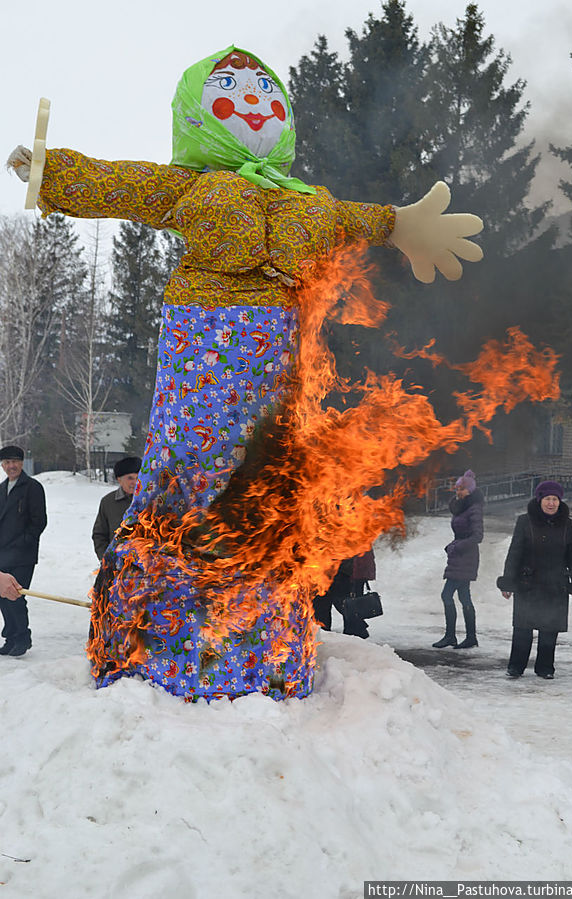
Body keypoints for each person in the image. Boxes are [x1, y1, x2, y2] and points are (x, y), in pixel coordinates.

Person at [8, 46, 483, 701]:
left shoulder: (302, 203)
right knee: (197, 491)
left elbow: (352, 218)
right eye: (231, 90)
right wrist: (54, 173)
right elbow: (126, 182)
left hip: (274, 360)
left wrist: (404, 224)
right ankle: (171, 647)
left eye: (264, 92)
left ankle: (265, 653)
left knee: (263, 492)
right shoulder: (195, 188)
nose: (254, 103)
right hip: (199, 351)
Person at [496, 479, 572, 679]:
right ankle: (516, 666)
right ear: (539, 500)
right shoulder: (525, 521)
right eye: (547, 498)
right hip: (528, 583)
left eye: (555, 499)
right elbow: (515, 553)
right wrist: (508, 581)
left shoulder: (567, 525)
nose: (551, 503)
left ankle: (545, 668)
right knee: (523, 628)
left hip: (556, 584)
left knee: (550, 628)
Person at [0, 445, 47, 656]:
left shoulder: (32, 487)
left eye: (15, 462)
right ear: (2, 465)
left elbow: (39, 521)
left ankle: (22, 639)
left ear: (22, 463)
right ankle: (10, 638)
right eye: (7, 462)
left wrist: (26, 541)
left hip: (22, 554)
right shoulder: (2, 488)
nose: (11, 466)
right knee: (3, 596)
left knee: (16, 595)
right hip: (2, 553)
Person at [433, 469, 483, 649]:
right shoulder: (461, 507)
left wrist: (457, 546)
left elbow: (478, 536)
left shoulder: (474, 509)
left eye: (462, 489)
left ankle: (451, 636)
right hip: (459, 555)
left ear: (470, 490)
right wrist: (453, 545)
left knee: (447, 595)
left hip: (466, 556)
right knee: (464, 597)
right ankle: (469, 637)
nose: (458, 492)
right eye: (457, 489)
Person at [313, 549, 376, 639]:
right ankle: (320, 639)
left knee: (351, 607)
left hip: (348, 571)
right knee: (320, 608)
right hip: (322, 567)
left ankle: (355, 640)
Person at [92, 456, 142, 560]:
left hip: (147, 565)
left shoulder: (150, 501)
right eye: (130, 478)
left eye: (138, 478)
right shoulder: (108, 502)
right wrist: (105, 558)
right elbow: (99, 535)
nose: (135, 482)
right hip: (117, 564)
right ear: (119, 480)